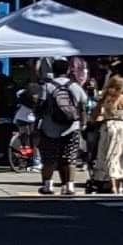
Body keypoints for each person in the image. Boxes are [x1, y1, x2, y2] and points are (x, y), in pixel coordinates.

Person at [33, 63, 83, 195]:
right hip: (72, 127)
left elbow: (39, 107)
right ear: (67, 70)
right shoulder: (74, 86)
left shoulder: (47, 86)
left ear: (53, 71)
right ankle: (69, 186)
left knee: (48, 158)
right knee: (69, 158)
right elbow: (84, 102)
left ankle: (48, 185)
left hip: (50, 128)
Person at [91, 72, 123, 192]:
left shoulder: (106, 99)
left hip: (109, 126)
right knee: (119, 155)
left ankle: (110, 182)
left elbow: (95, 115)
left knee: (108, 154)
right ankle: (119, 184)